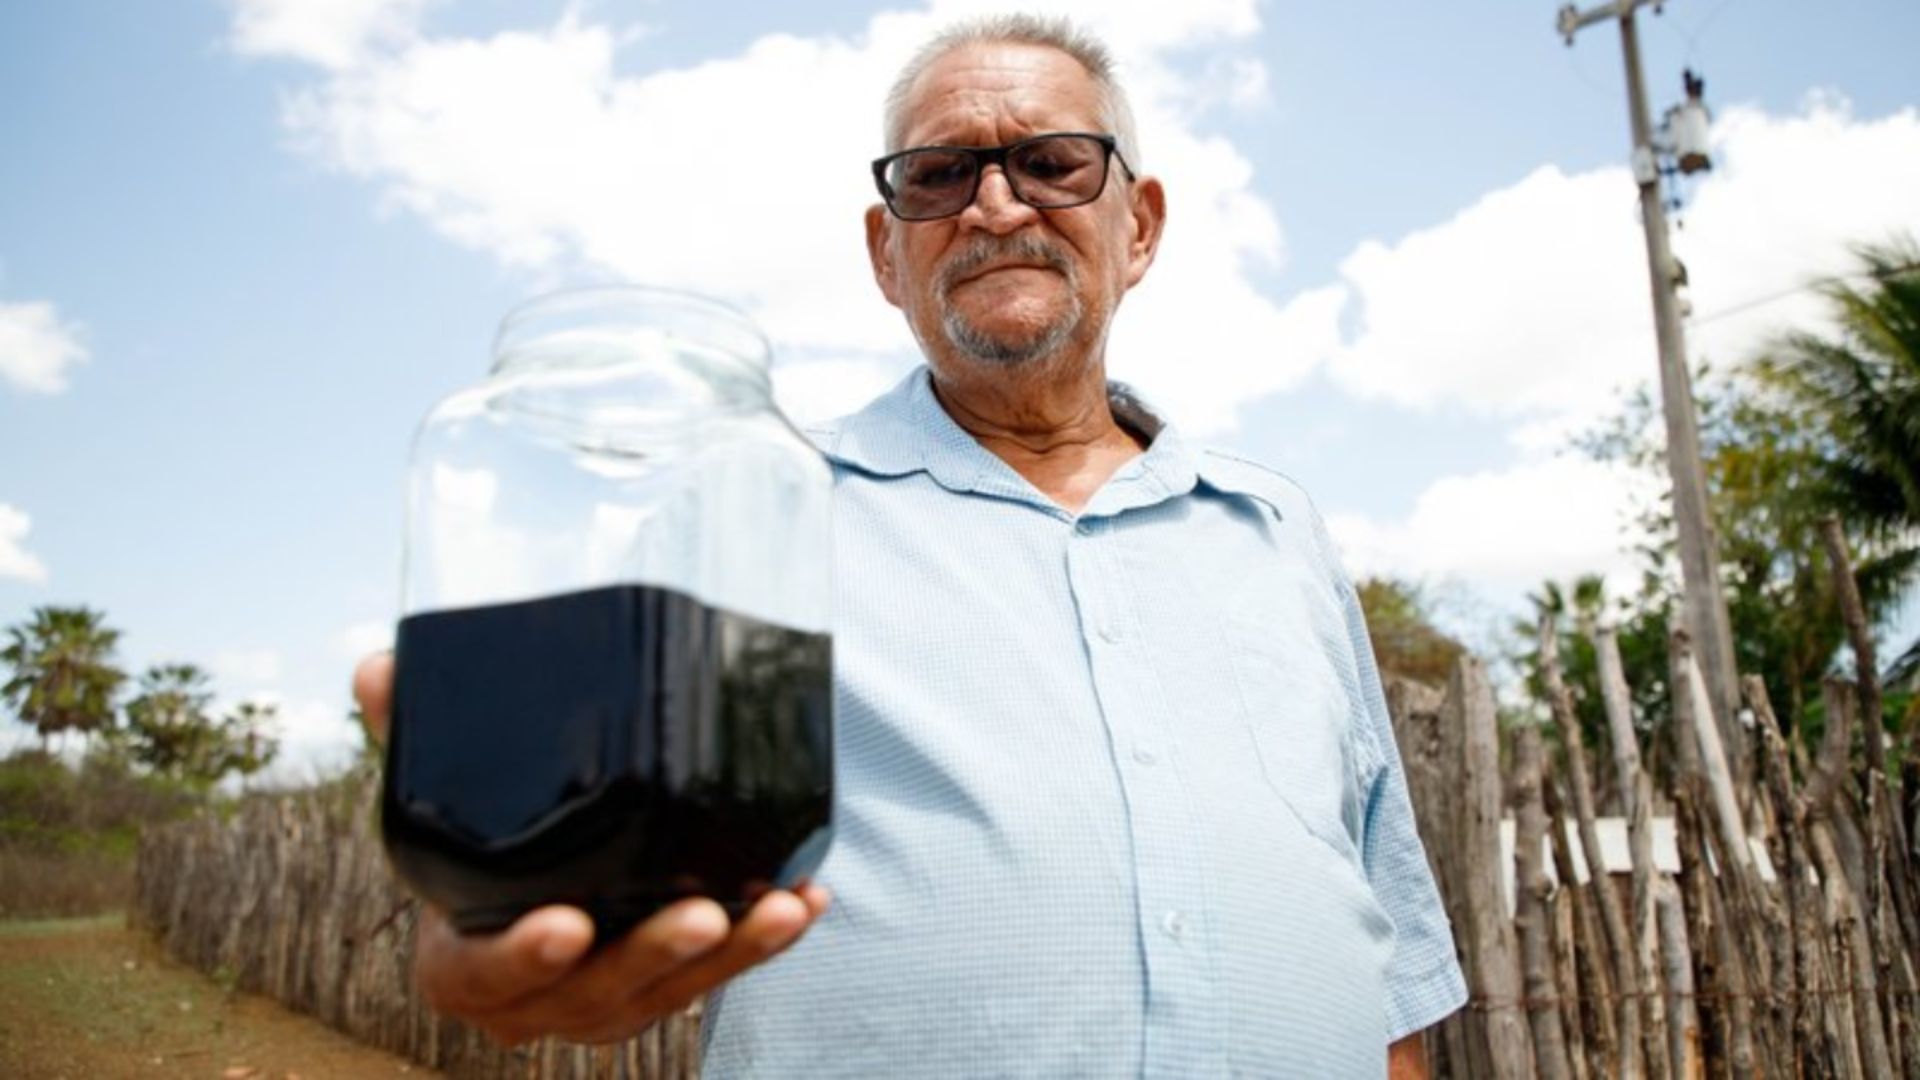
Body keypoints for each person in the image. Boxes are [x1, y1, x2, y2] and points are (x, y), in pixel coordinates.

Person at [354, 15, 1466, 1077]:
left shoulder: (1276, 529)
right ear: (886, 252)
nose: (995, 205)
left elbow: (1388, 958)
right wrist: (510, 917)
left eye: (1053, 163)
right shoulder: (759, 513)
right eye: (938, 175)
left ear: (1139, 225)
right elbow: (604, 826)